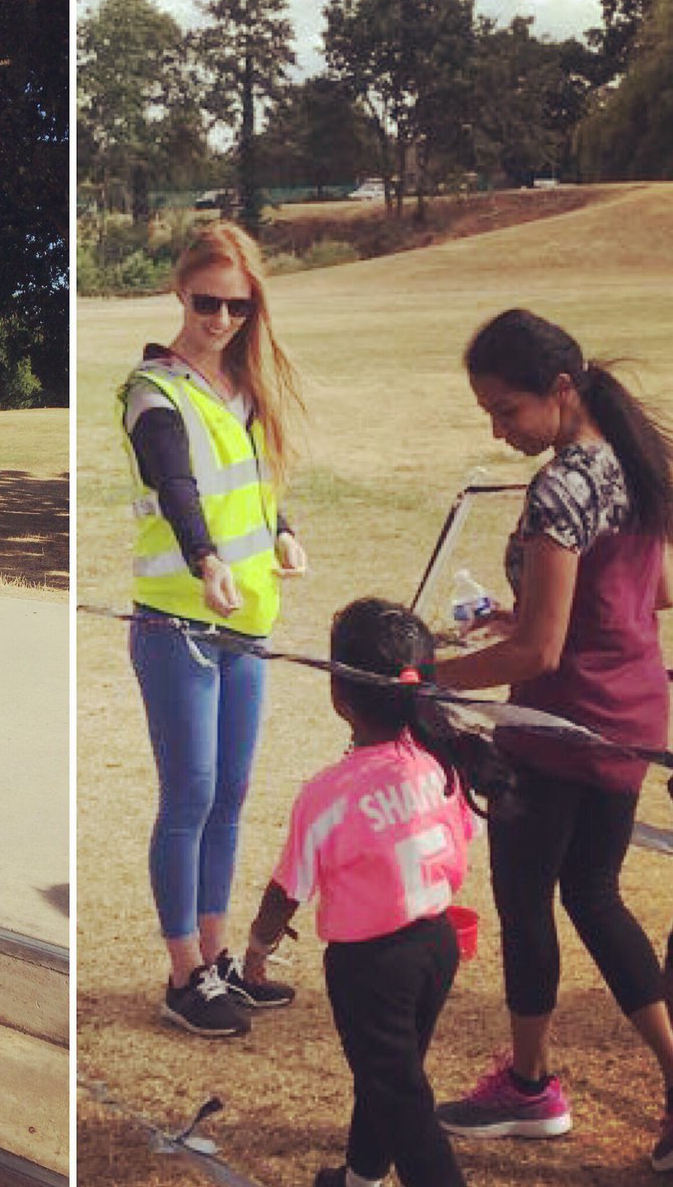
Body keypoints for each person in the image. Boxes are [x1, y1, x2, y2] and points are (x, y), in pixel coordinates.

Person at [430, 309, 673, 1172]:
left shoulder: (564, 484)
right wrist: (530, 606)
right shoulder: (636, 456)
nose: (500, 432)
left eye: (507, 411)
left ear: (559, 391)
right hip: (632, 715)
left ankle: (530, 1090)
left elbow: (539, 652)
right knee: (597, 894)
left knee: (529, 901)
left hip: (563, 725)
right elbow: (658, 589)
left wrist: (426, 673)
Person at [120, 220, 306, 1037]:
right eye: (207, 302)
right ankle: (183, 975)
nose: (222, 319)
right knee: (189, 797)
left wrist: (284, 529)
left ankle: (219, 957)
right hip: (179, 627)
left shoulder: (248, 387)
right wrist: (204, 557)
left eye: (238, 305)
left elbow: (254, 482)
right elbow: (176, 480)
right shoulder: (153, 389)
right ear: (179, 292)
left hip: (247, 624)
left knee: (229, 798)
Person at [245, 598, 484, 1187]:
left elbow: (285, 890)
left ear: (340, 697)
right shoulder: (440, 760)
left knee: (401, 1096)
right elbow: (463, 835)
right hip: (436, 945)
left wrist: (258, 948)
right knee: (387, 1077)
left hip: (370, 968)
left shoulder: (327, 794)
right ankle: (361, 1176)